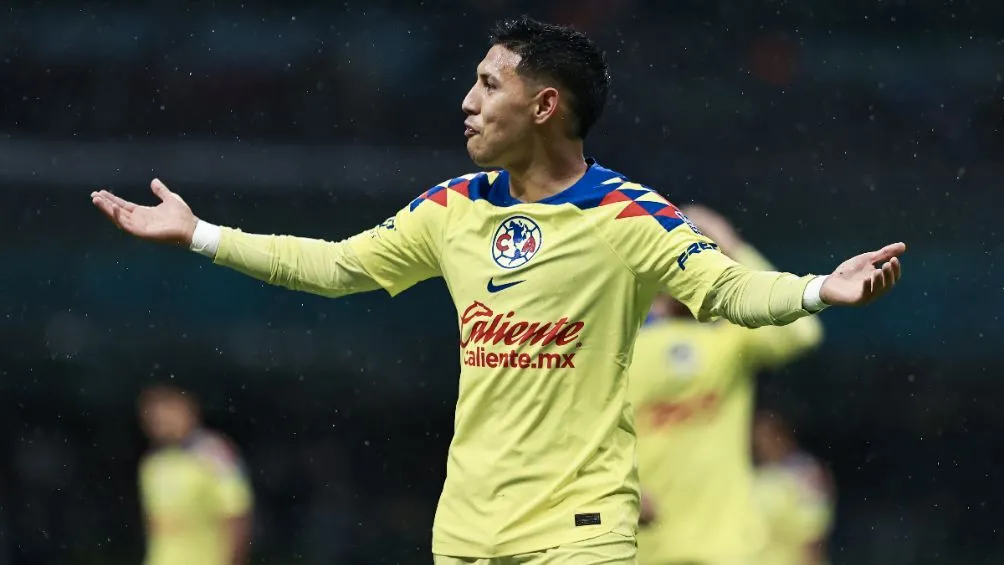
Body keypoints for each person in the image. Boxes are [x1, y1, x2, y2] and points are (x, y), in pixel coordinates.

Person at [92, 15, 903, 565]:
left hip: (580, 529)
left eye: (488, 84)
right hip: (468, 527)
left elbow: (726, 291)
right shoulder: (452, 209)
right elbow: (339, 267)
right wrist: (201, 234)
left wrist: (818, 289)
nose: (468, 101)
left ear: (545, 104)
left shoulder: (625, 214)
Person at [630, 204, 824, 565]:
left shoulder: (729, 339)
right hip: (643, 548)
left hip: (727, 550)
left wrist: (733, 248)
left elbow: (802, 332)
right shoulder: (624, 339)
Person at [137, 385, 254, 565]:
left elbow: (237, 517)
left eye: (169, 411)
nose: (162, 421)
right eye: (154, 415)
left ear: (189, 409)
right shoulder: (153, 464)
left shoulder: (215, 455)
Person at [752, 410, 835, 565]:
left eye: (767, 436)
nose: (763, 444)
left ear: (782, 433)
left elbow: (815, 533)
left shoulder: (804, 471)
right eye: (758, 438)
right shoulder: (757, 475)